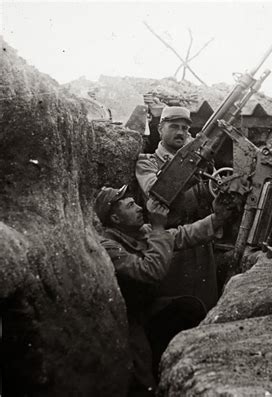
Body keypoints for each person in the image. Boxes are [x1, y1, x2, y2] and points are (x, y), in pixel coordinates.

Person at [94, 185, 231, 396]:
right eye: (131, 205)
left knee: (188, 308)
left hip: (146, 310)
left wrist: (217, 219)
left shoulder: (140, 232)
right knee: (142, 377)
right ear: (116, 219)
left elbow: (181, 235)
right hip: (126, 320)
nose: (140, 208)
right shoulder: (108, 246)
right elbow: (150, 271)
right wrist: (158, 228)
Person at [135, 106, 219, 310]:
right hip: (170, 248)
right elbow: (159, 192)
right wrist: (189, 167)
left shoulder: (199, 164)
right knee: (170, 311)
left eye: (185, 128)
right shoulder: (147, 163)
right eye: (174, 126)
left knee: (205, 309)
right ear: (160, 130)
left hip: (201, 246)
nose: (181, 132)